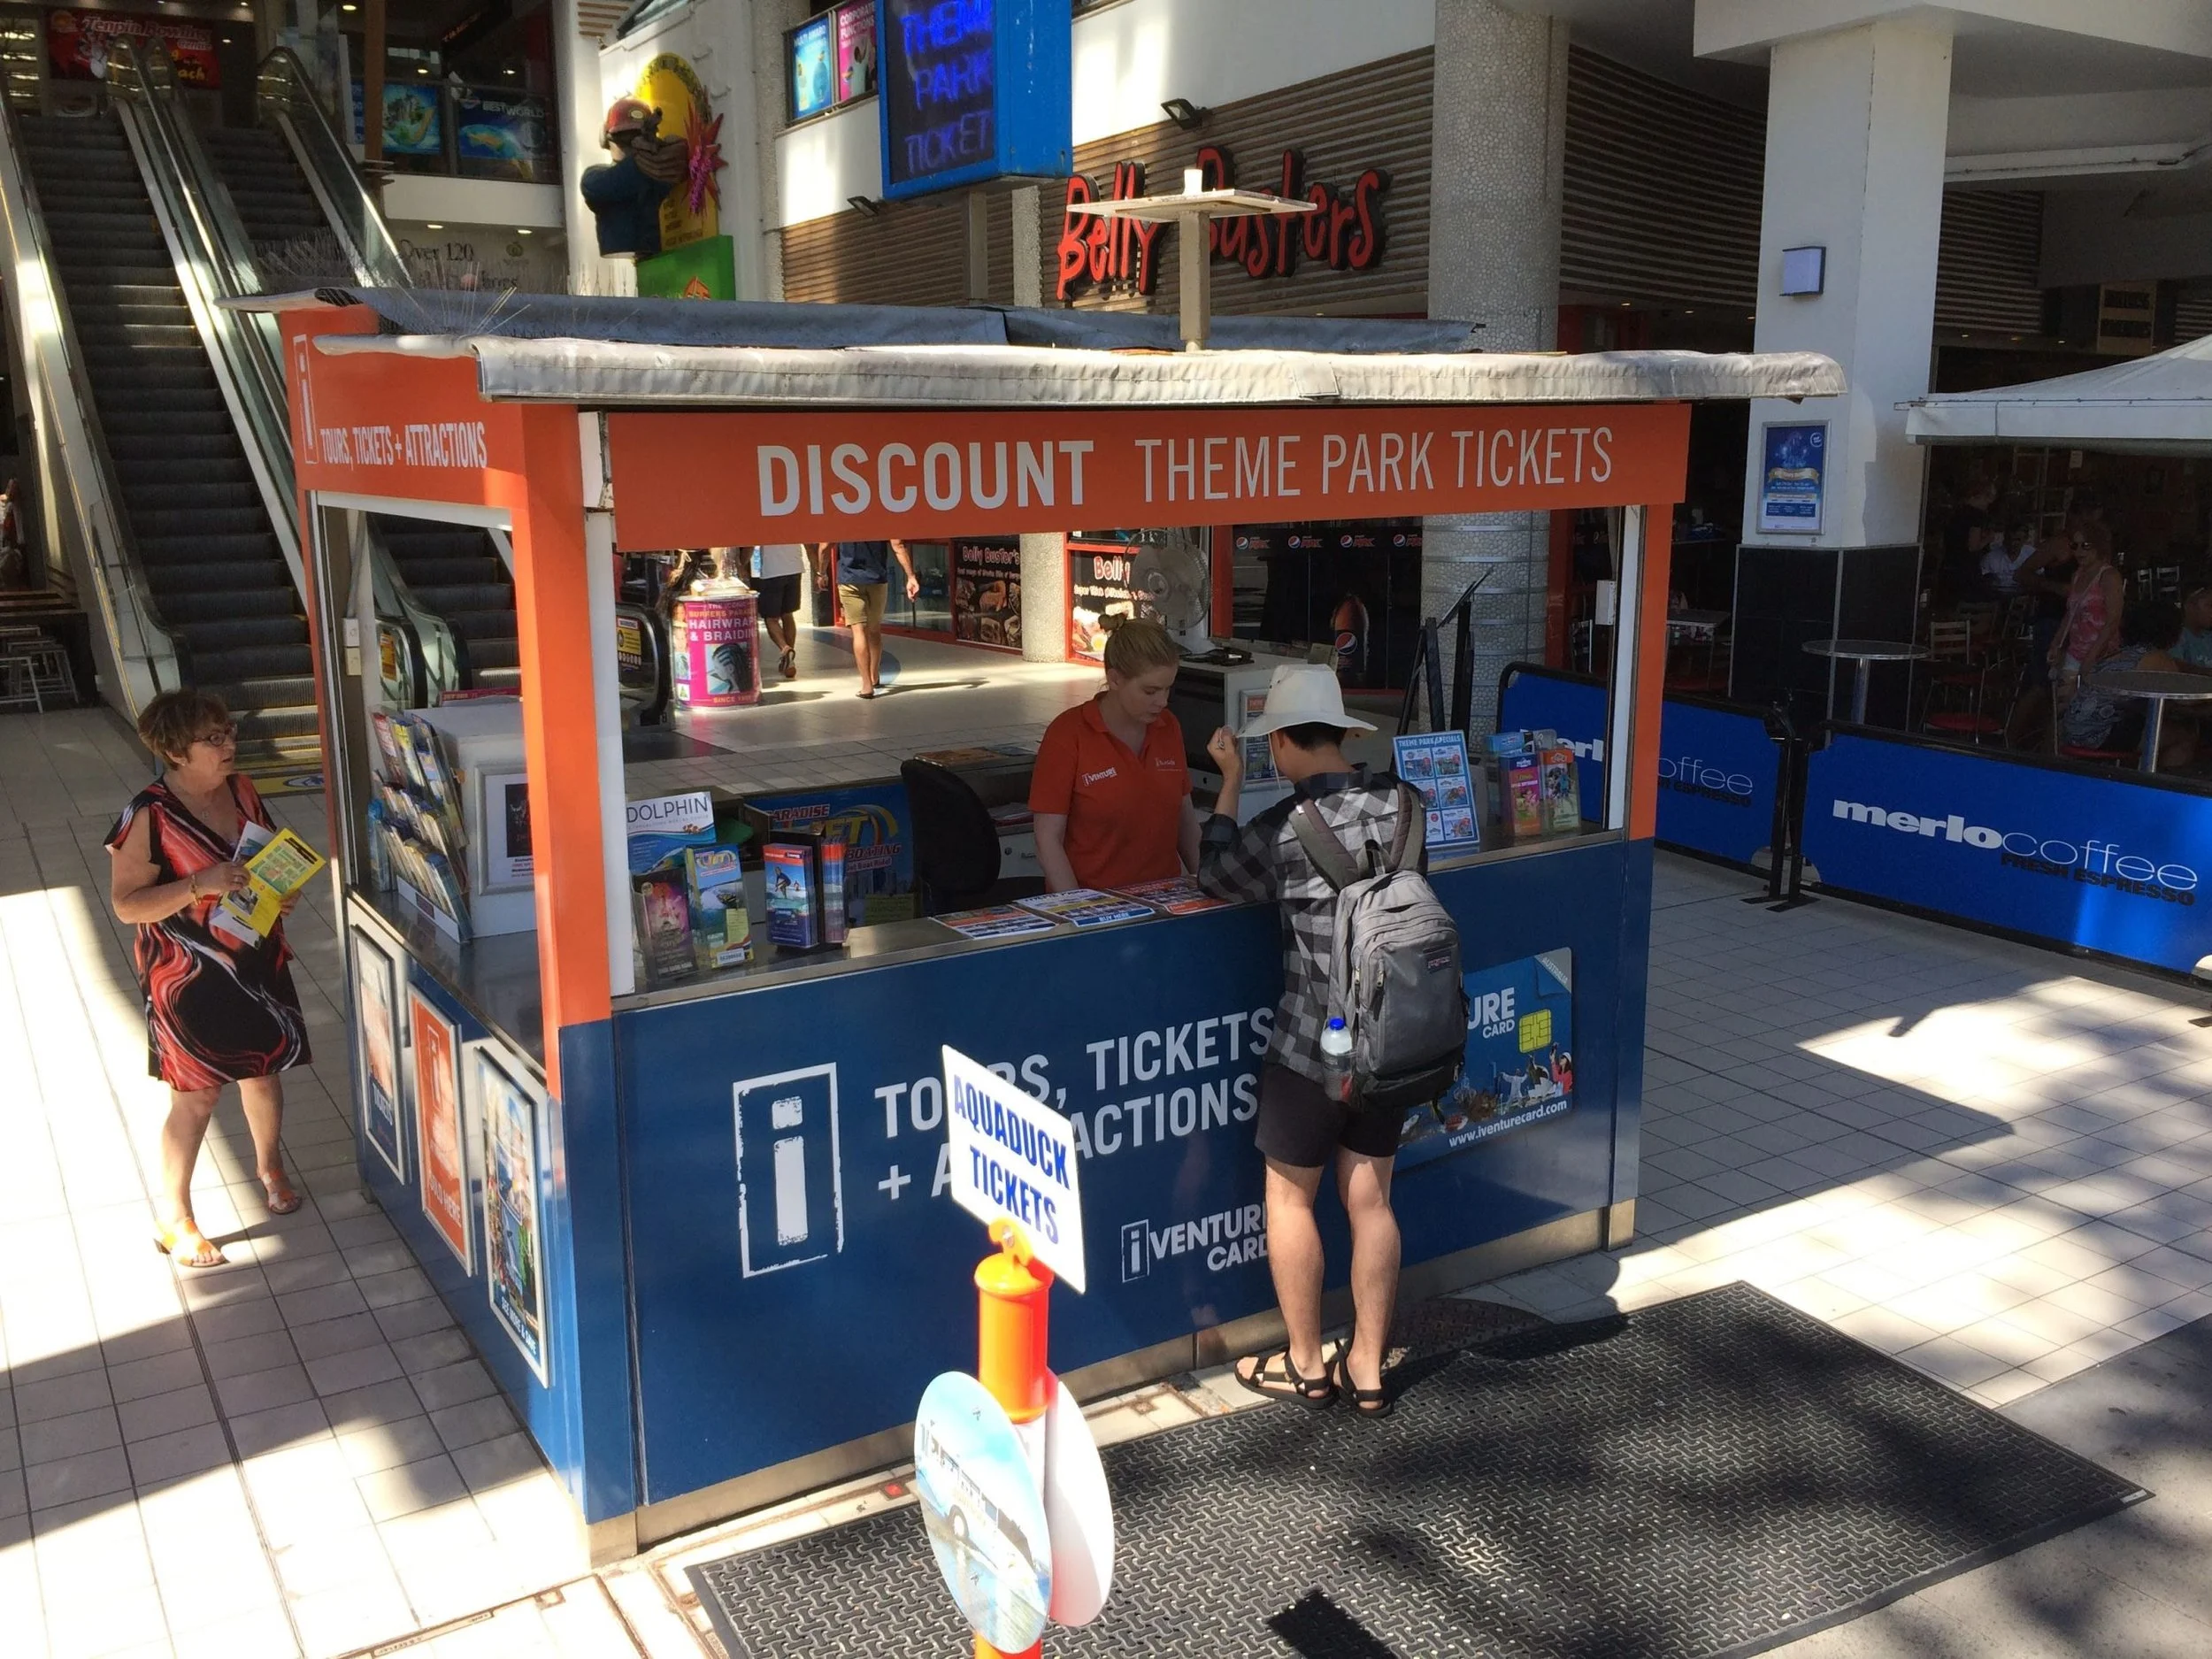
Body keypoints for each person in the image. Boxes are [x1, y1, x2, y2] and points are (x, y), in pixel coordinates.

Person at [1196, 665, 1410, 1418]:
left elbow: (1214, 876)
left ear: (1283, 741)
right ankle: (1368, 1368)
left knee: (1292, 1201)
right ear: (1344, 733)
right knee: (1371, 1200)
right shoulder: (1406, 804)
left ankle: (1306, 1364)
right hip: (1390, 1041)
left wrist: (1228, 785)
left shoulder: (1285, 826)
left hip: (1308, 1047)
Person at [106, 691, 311, 1268]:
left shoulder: (242, 789)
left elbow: (267, 859)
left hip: (252, 955)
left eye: (229, 732)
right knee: (196, 1095)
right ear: (176, 751)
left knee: (263, 1071)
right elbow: (126, 905)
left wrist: (283, 892)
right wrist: (201, 883)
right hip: (185, 973)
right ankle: (175, 1218)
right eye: (213, 738)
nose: (229, 745)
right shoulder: (146, 814)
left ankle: (270, 1167)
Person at [1030, 618, 1202, 892]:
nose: (1162, 701)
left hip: (1164, 898)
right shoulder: (1068, 735)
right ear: (1115, 679)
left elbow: (1185, 819)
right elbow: (1047, 840)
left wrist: (1209, 883)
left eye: (1168, 689)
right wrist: (1078, 907)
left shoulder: (1168, 727)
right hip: (1095, 900)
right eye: (1150, 691)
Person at [2060, 601, 2194, 766]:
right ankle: (2154, 779)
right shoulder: (2158, 659)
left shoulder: (2118, 655)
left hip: (2072, 730)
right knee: (2184, 736)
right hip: (2100, 735)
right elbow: (2185, 699)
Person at [2049, 520, 2124, 728]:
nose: (2079, 551)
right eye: (2075, 546)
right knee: (2063, 709)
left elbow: (2113, 620)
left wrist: (2092, 656)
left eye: (2086, 545)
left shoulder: (2109, 576)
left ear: (2099, 546)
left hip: (2103, 654)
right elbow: (2071, 613)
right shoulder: (2078, 575)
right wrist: (2056, 642)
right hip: (2075, 651)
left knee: (2092, 714)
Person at [826, 539, 918, 698]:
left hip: (849, 579)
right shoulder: (881, 522)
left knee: (859, 632)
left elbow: (825, 545)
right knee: (874, 630)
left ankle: (867, 685)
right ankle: (874, 675)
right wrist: (911, 576)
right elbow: (898, 545)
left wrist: (821, 572)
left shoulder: (840, 522)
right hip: (877, 579)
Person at [752, 541, 807, 681]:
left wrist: (741, 564)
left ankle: (785, 648)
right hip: (795, 568)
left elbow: (750, 544)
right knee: (788, 615)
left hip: (772, 572)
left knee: (770, 618)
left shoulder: (763, 527)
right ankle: (790, 662)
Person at [2175, 587, 2212, 672]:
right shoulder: (2176, 637)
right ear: (2190, 607)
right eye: (2210, 605)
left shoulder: (2209, 638)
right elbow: (2175, 664)